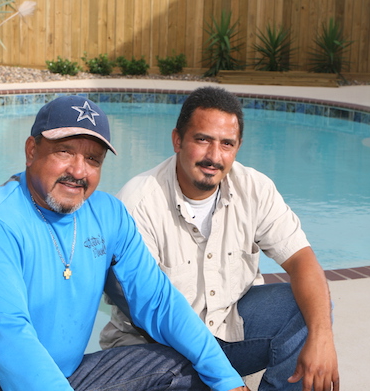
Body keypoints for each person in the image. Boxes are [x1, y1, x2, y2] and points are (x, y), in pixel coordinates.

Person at [0, 95, 250, 391]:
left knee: (187, 369)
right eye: (64, 151)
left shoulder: (108, 214)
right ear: (31, 150)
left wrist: (228, 380)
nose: (78, 171)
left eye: (93, 159)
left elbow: (159, 303)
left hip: (68, 377)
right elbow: (11, 340)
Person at [100, 87, 339, 391]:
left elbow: (302, 260)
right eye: (203, 140)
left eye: (227, 144)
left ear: (238, 147)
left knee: (308, 309)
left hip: (229, 330)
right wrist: (224, 381)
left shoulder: (254, 188)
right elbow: (152, 314)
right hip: (158, 349)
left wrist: (323, 338)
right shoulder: (139, 203)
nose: (214, 156)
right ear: (177, 140)